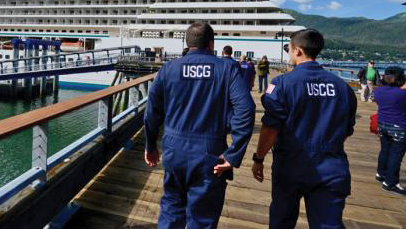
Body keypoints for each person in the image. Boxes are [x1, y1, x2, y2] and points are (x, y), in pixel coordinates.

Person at [144, 22, 255, 229]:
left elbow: (152, 112)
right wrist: (234, 154)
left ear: (188, 42)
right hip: (209, 154)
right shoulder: (228, 68)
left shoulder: (169, 68)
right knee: (202, 218)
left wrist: (150, 146)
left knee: (171, 209)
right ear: (212, 44)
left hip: (173, 150)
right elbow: (246, 110)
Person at [251, 28, 357, 229]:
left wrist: (259, 158)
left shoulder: (282, 84)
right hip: (331, 167)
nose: (289, 54)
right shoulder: (343, 87)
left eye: (289, 50)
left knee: (282, 220)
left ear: (298, 51)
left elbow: (270, 128)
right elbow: (346, 130)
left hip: (290, 164)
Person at [374, 67, 406, 197]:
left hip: (382, 124)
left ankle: (381, 174)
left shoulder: (378, 91)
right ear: (401, 79)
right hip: (400, 128)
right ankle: (390, 183)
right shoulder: (404, 94)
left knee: (385, 150)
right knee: (395, 156)